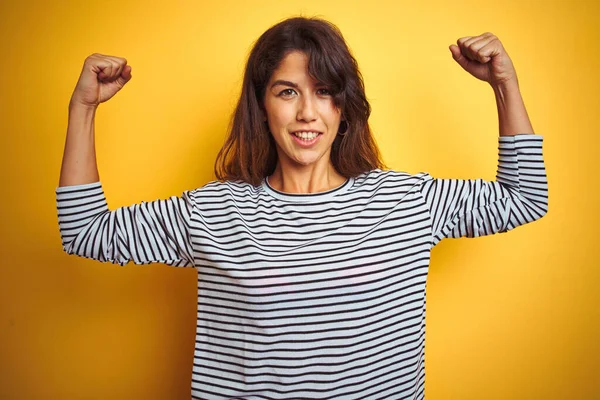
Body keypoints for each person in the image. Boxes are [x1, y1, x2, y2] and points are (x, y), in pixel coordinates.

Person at [56, 16, 548, 400]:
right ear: (262, 105)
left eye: (325, 92)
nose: (307, 112)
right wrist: (83, 108)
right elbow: (85, 232)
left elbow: (525, 197)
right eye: (287, 91)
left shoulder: (407, 202)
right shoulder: (215, 211)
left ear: (344, 107)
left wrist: (505, 84)